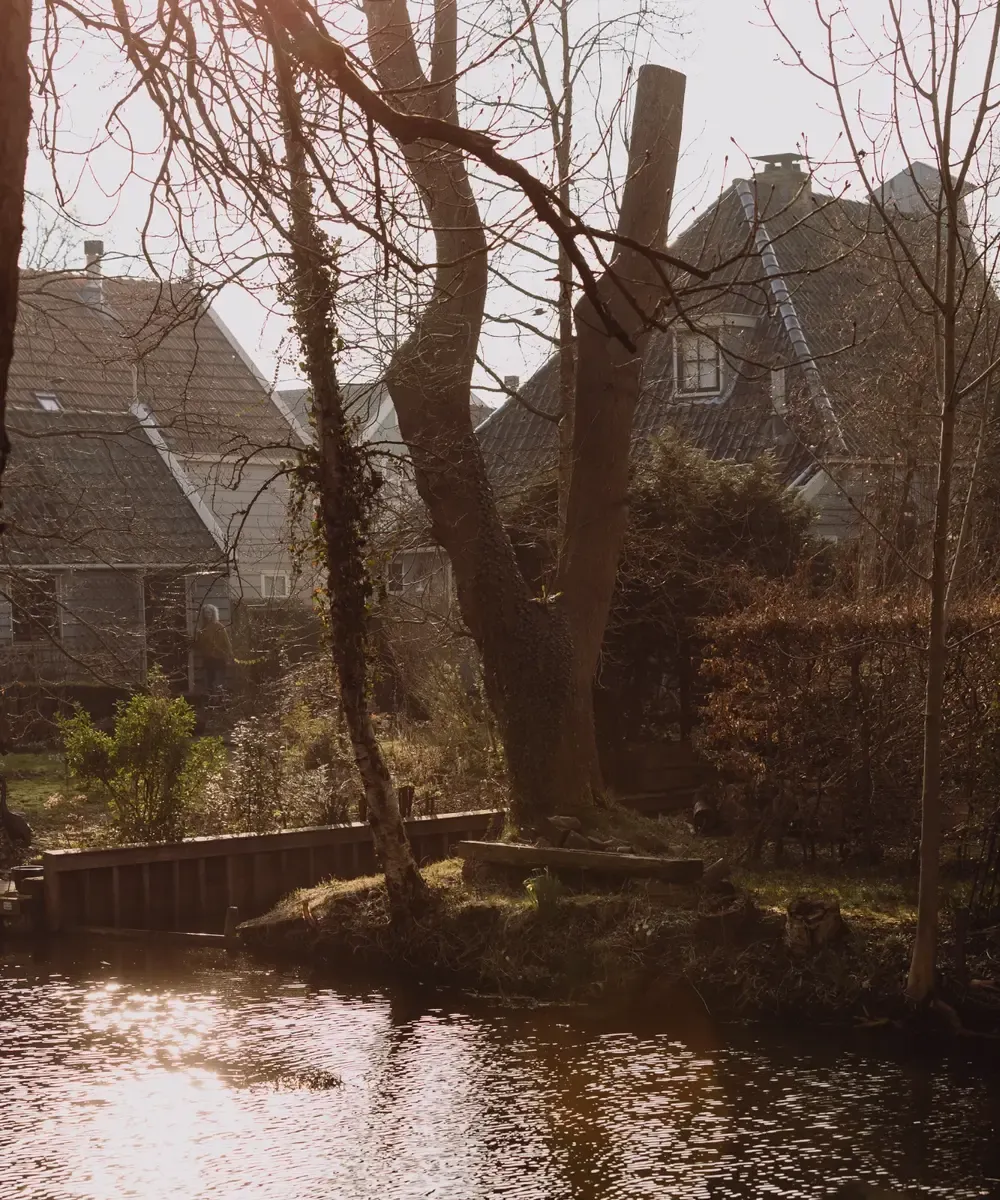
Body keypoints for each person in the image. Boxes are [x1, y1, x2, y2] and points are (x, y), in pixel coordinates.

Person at [194, 605, 234, 694]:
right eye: (205, 613)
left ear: (213, 614)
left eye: (209, 612)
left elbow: (227, 643)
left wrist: (230, 655)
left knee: (219, 685)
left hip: (219, 660)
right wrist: (198, 636)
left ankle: (220, 704)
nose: (206, 615)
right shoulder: (202, 628)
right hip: (208, 660)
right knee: (208, 685)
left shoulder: (219, 626)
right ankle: (210, 704)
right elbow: (200, 645)